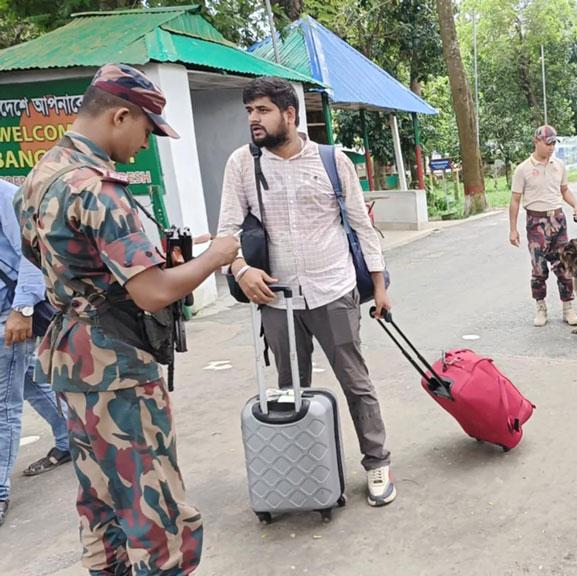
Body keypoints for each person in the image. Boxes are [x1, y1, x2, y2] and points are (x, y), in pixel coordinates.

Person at [15, 63, 239, 575]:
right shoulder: (99, 188)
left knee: (100, 500)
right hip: (117, 368)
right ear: (120, 116)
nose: (146, 145)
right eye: (147, 131)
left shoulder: (40, 177)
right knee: (152, 505)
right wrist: (217, 255)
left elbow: (48, 258)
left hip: (72, 362)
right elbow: (154, 292)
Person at [218, 76, 397, 507]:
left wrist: (379, 287)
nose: (253, 120)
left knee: (356, 382)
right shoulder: (242, 164)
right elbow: (226, 233)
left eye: (262, 110)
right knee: (288, 388)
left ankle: (377, 464)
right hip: (275, 298)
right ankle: (303, 470)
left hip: (333, 290)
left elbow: (362, 226)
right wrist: (241, 270)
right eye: (249, 112)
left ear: (290, 114)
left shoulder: (333, 161)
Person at [0, 178, 71, 528]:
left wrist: (22, 309)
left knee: (4, 403)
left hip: (9, 315)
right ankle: (71, 436)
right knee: (28, 383)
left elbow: (32, 254)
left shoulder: (5, 196)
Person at [508, 125, 577, 327]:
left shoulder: (558, 165)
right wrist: (513, 229)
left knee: (564, 266)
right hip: (536, 223)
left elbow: (564, 190)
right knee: (539, 269)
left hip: (557, 221)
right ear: (536, 141)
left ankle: (568, 308)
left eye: (553, 143)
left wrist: (575, 205)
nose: (551, 147)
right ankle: (541, 307)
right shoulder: (523, 169)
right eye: (548, 143)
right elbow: (515, 200)